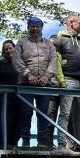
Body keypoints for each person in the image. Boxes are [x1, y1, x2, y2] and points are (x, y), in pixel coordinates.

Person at [49, 14, 80, 151]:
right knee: (65, 113)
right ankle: (62, 144)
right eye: (79, 23)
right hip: (68, 80)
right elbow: (56, 61)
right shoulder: (59, 40)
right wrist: (61, 80)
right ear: (71, 23)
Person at [12, 16, 58, 148]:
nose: (35, 29)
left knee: (43, 113)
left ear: (41, 28)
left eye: (38, 26)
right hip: (25, 84)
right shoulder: (21, 43)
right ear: (28, 27)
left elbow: (54, 61)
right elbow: (16, 60)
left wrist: (47, 76)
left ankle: (41, 142)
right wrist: (28, 74)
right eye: (32, 26)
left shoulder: (49, 44)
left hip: (44, 84)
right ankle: (25, 140)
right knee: (26, 111)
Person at [0, 40, 21, 147]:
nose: (8, 51)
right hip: (4, 101)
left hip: (20, 100)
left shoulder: (21, 64)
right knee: (4, 126)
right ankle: (2, 148)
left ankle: (12, 147)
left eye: (10, 48)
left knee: (18, 127)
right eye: (6, 49)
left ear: (15, 49)